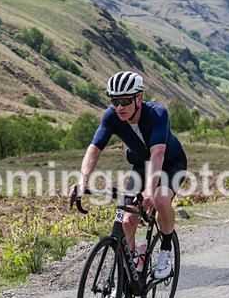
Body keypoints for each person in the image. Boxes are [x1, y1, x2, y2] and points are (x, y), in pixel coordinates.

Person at [73, 71, 187, 280]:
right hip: (141, 167)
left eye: (125, 100)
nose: (120, 107)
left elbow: (158, 153)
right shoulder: (112, 116)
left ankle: (166, 250)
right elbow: (94, 149)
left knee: (161, 201)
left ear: (139, 99)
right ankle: (131, 267)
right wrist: (83, 181)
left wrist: (150, 191)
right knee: (127, 219)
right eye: (115, 101)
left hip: (171, 163)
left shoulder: (157, 114)